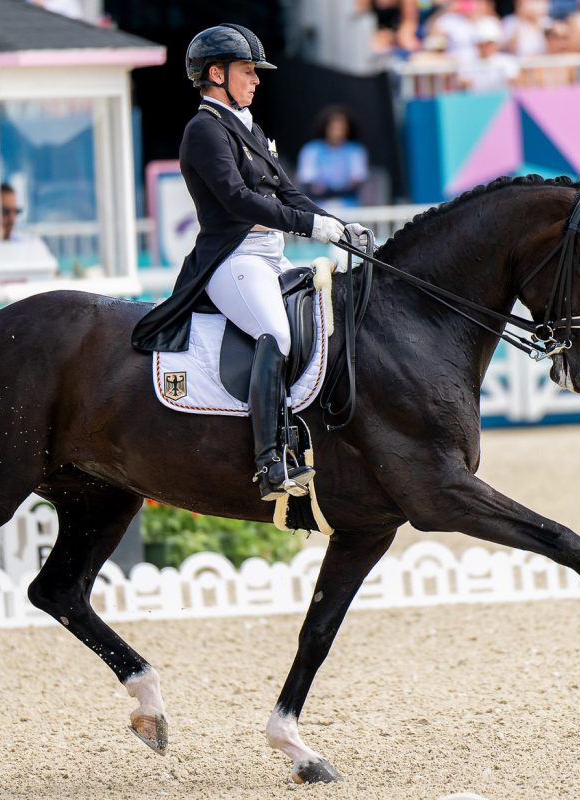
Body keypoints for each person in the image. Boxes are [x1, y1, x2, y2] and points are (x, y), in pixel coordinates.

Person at [130, 24, 369, 502]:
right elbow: (238, 200)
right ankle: (269, 461)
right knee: (276, 334)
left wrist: (337, 226)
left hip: (267, 257)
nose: (257, 80)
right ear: (215, 74)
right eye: (247, 71)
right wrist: (308, 227)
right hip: (231, 260)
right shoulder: (203, 130)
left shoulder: (249, 127)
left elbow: (289, 190)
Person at [296, 107, 370, 206]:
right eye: (333, 128)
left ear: (348, 129)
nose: (337, 133)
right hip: (318, 207)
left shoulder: (355, 151)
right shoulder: (311, 150)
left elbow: (355, 183)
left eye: (341, 129)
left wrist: (326, 190)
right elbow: (309, 184)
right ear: (325, 128)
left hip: (349, 208)